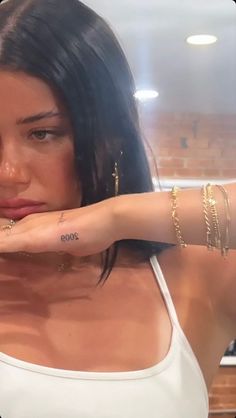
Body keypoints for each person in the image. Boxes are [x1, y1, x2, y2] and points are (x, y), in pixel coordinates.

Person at [0, 0, 235, 417]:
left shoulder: (196, 275)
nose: (10, 173)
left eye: (43, 133)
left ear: (111, 134)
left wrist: (116, 216)